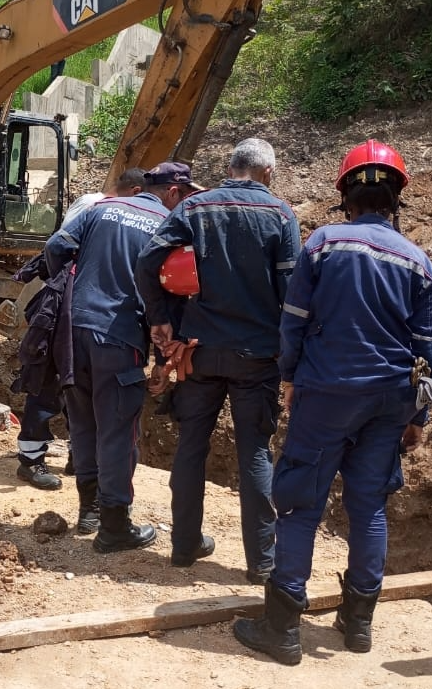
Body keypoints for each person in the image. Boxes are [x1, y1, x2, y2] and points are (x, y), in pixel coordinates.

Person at [234, 141, 432, 665]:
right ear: (397, 199)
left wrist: (288, 378)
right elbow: (427, 349)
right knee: (369, 505)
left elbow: (294, 320)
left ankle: (282, 628)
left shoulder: (323, 243)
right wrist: (418, 416)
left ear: (344, 193)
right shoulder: (418, 261)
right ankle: (358, 624)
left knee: (302, 504)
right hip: (390, 398)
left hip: (328, 391)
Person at [136, 139, 301, 583]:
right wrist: (292, 357)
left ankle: (184, 545)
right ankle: (261, 562)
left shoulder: (194, 208)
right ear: (268, 172)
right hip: (258, 357)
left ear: (231, 168)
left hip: (200, 351)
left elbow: (148, 260)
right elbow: (293, 293)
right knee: (255, 454)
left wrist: (161, 319)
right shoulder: (280, 215)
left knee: (192, 444)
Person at [44, 161, 196, 552]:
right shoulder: (169, 226)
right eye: (187, 196)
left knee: (83, 422)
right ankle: (113, 527)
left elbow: (56, 247)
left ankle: (89, 512)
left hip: (73, 332)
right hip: (119, 334)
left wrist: (70, 295)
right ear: (174, 193)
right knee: (116, 431)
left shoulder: (101, 208)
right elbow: (172, 294)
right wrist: (163, 360)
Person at [12, 169, 147, 492]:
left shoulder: (106, 209)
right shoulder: (96, 205)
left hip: (81, 305)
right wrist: (65, 284)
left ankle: (79, 455)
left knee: (79, 386)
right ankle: (31, 459)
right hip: (63, 304)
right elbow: (57, 246)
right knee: (50, 379)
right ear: (135, 190)